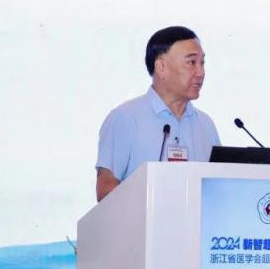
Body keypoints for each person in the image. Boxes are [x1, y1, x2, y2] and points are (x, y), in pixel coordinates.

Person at [95, 26, 221, 201]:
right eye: (191, 63)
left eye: (202, 63)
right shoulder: (125, 118)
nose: (201, 73)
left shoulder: (206, 125)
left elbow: (218, 189)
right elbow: (105, 190)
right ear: (161, 68)